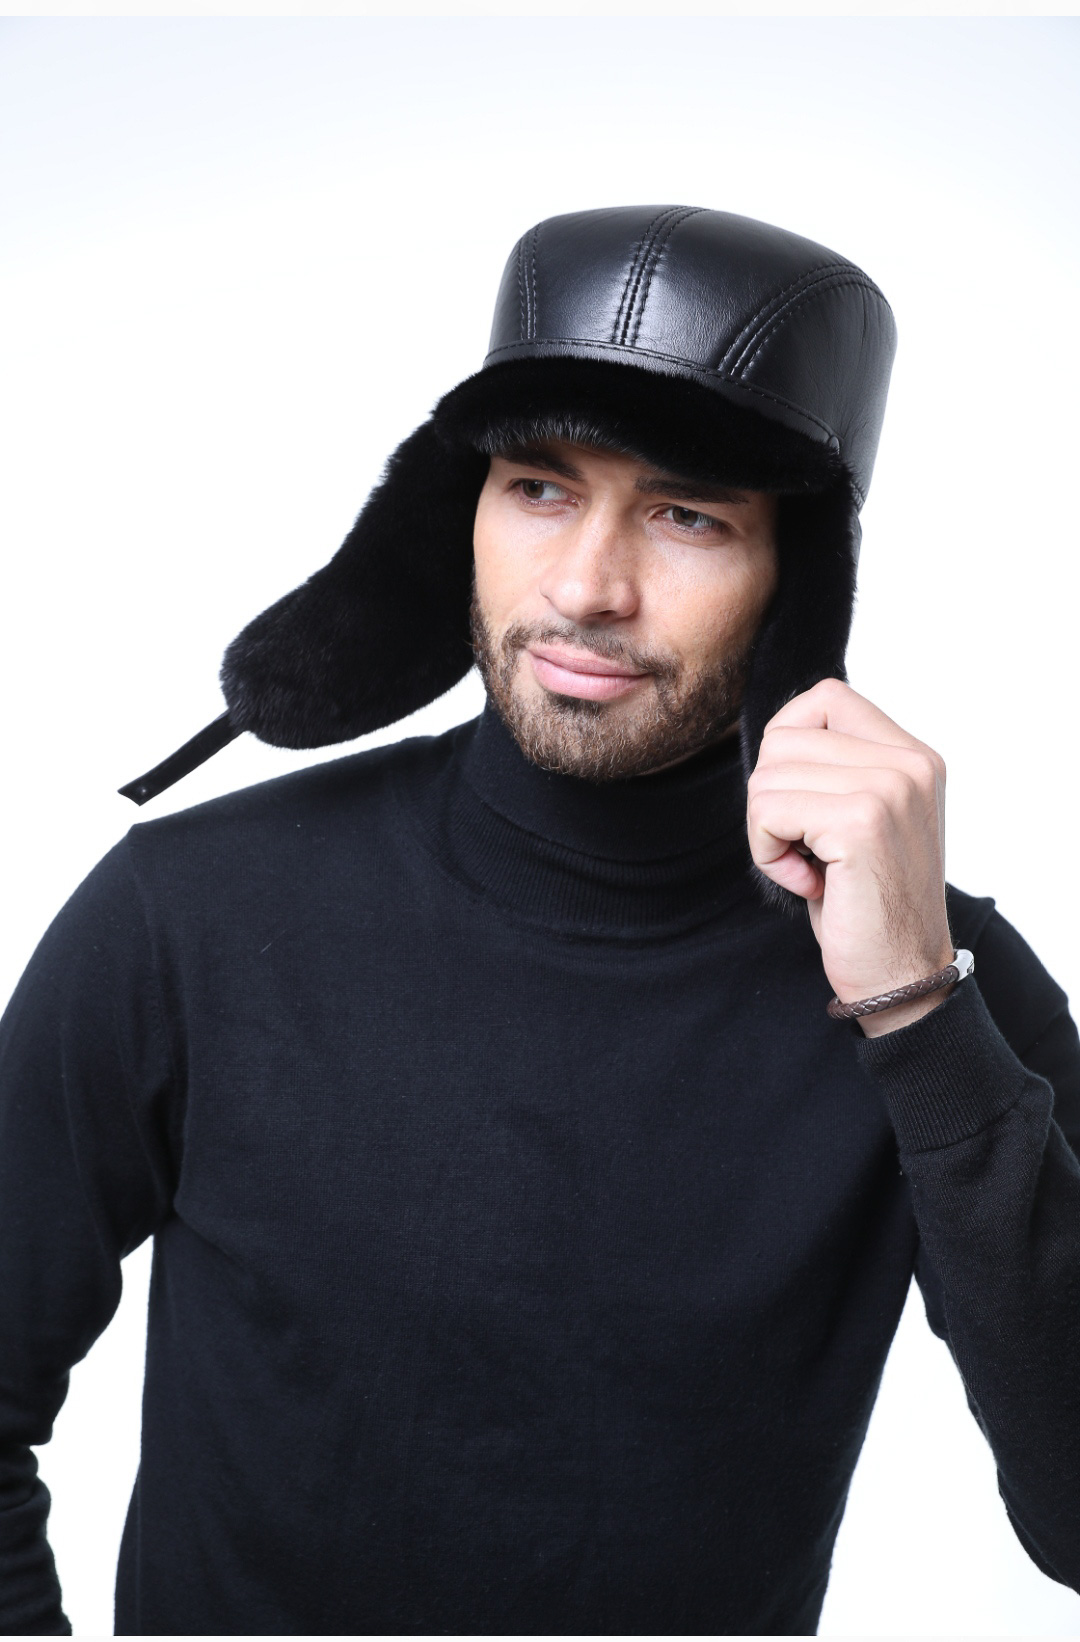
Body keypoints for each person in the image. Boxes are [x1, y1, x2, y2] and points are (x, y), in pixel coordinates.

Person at [1, 205, 1077, 1636]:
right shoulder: (184, 913)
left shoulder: (938, 986)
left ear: (797, 579)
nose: (584, 589)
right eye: (539, 487)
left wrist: (919, 1011)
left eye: (689, 514)